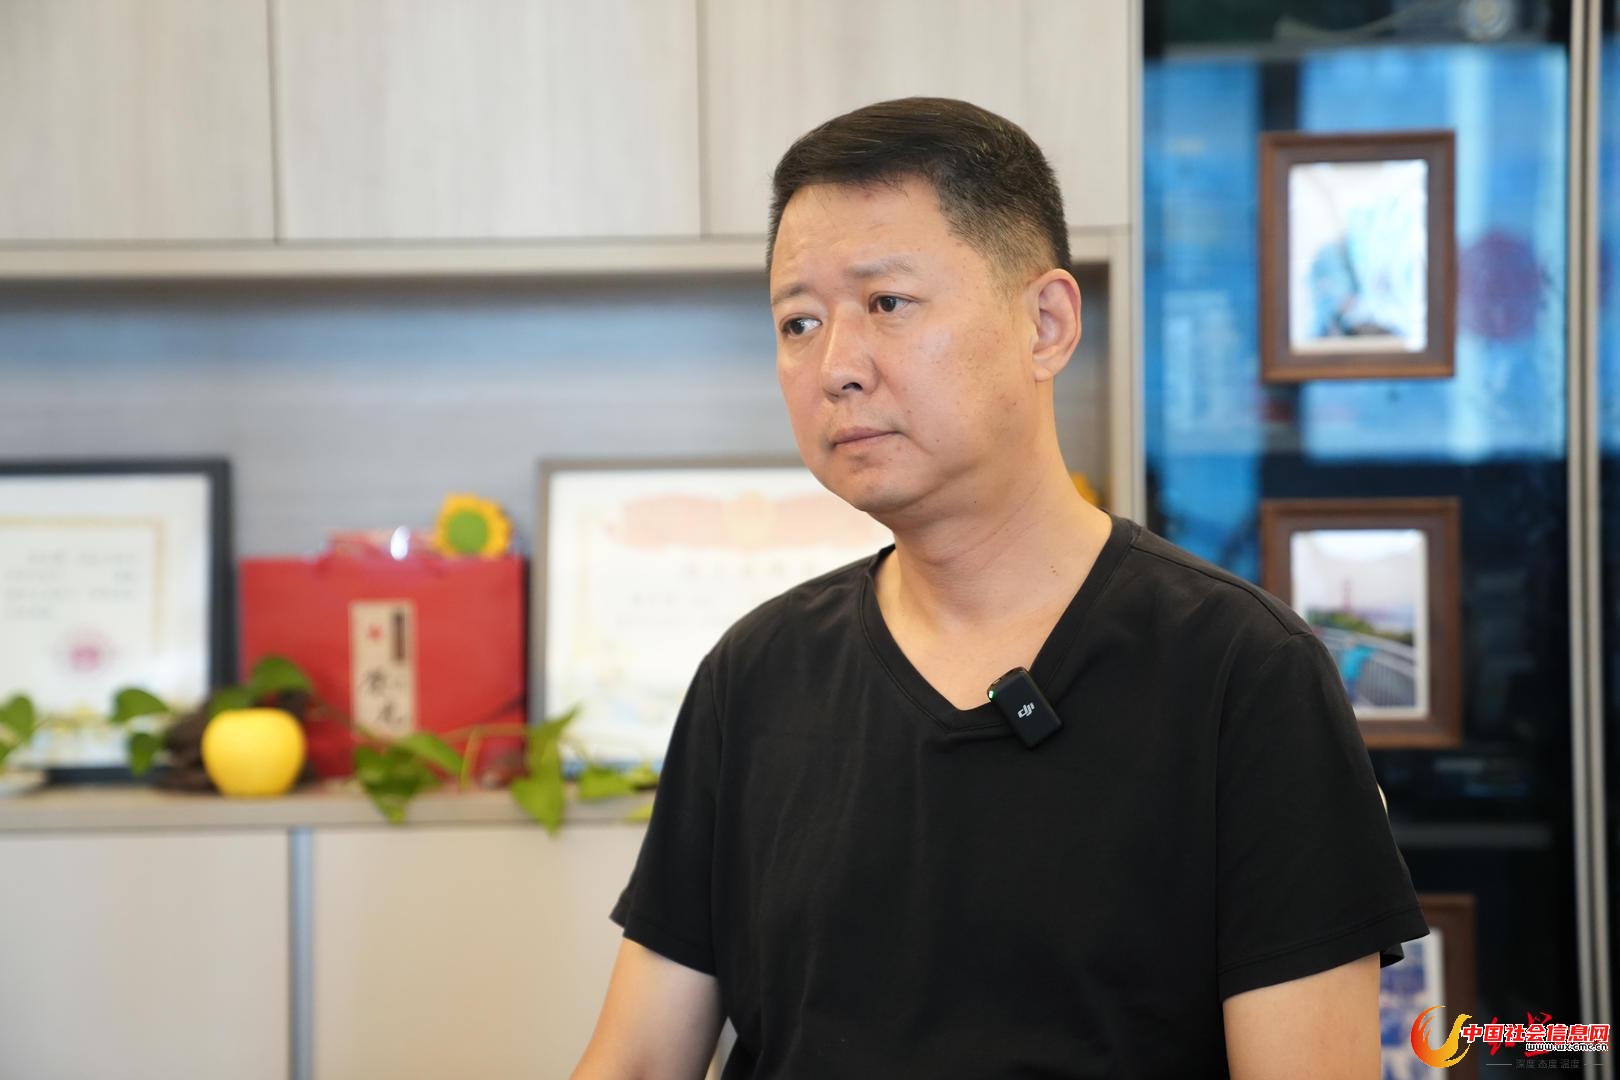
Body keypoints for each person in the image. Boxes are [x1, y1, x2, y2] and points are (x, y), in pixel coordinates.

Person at [571, 97, 1427, 1080]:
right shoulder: (755, 676)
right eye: (799, 322)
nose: (836, 367)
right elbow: (638, 1060)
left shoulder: (1245, 675)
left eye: (887, 303)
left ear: (1045, 324)